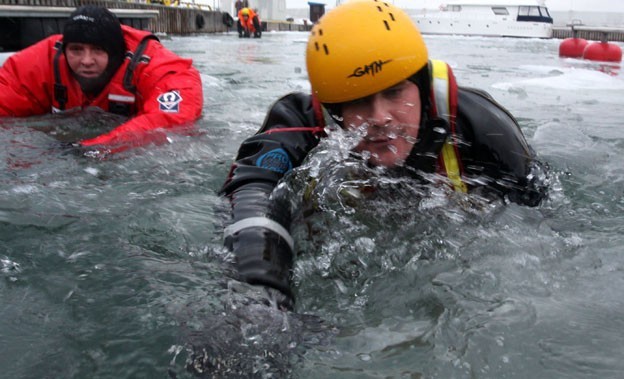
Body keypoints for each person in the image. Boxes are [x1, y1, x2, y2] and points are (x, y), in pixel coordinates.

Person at [219, 0, 549, 310]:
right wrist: (259, 292)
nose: (380, 118)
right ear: (335, 110)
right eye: (359, 100)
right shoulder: (302, 124)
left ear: (420, 86)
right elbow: (252, 187)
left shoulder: (480, 128)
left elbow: (541, 212)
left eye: (394, 92)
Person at [0, 5, 203, 155]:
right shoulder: (41, 61)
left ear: (116, 52)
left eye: (98, 50)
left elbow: (171, 121)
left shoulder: (162, 68)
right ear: (65, 49)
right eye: (76, 50)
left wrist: (97, 147)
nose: (86, 61)